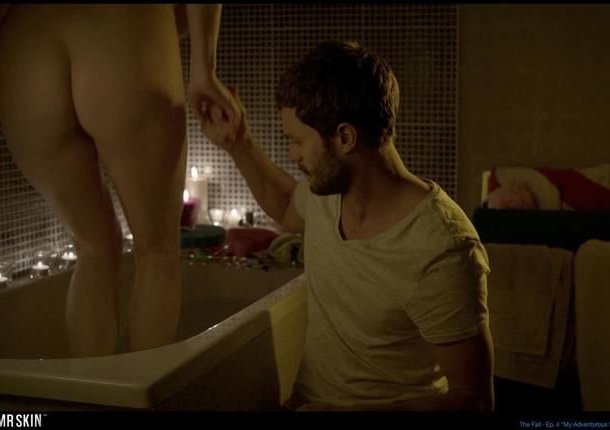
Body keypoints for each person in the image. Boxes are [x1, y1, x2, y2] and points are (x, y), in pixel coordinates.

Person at [201, 40, 494, 411]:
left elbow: (473, 401)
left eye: (296, 142)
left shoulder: (442, 248)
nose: (292, 155)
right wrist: (238, 142)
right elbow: (287, 205)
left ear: (344, 137)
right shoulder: (327, 194)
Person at [0, 4, 240, 357]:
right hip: (120, 23)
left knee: (93, 250)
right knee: (156, 252)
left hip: (24, 44)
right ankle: (141, 389)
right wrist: (204, 69)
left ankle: (89, 387)